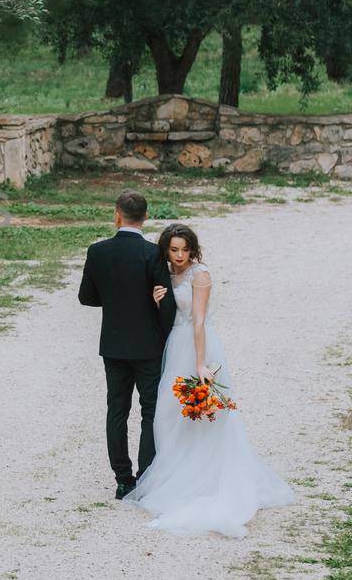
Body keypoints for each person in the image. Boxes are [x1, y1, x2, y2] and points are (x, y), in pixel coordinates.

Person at [123, 223, 295, 537]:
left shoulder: (199, 275)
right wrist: (157, 300)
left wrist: (201, 364)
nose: (178, 256)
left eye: (183, 250)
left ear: (192, 249)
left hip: (197, 345)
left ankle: (205, 479)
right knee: (168, 414)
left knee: (204, 416)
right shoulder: (165, 273)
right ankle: (175, 475)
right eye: (173, 250)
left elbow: (198, 320)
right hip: (174, 344)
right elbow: (166, 317)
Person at [77, 190, 176, 500]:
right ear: (145, 218)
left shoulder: (97, 252)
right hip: (148, 347)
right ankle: (146, 479)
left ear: (116, 214)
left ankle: (123, 480)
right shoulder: (153, 254)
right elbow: (168, 306)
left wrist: (114, 301)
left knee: (117, 410)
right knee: (150, 412)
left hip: (115, 345)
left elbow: (86, 297)